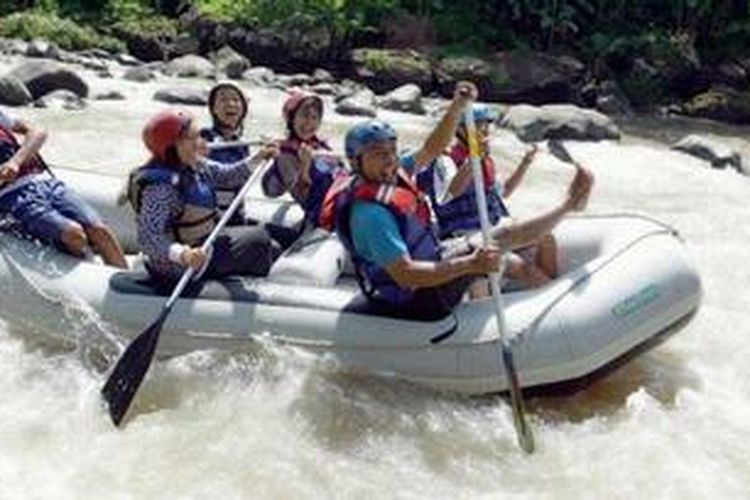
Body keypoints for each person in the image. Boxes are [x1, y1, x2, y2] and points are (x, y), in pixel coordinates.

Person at [320, 109, 593, 320]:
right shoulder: (370, 215)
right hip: (416, 298)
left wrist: (457, 105)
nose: (390, 159)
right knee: (498, 246)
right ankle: (571, 204)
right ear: (356, 161)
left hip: (432, 260)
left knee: (504, 235)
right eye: (379, 154)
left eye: (392, 151)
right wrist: (470, 265)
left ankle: (569, 206)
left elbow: (430, 148)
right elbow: (406, 275)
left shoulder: (394, 174)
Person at [129, 108, 280, 289]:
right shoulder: (161, 189)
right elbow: (148, 238)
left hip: (201, 242)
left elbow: (228, 175)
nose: (199, 142)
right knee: (259, 239)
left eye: (198, 136)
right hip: (178, 266)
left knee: (265, 239)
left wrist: (258, 157)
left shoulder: (195, 164)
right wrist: (184, 255)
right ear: (171, 146)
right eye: (192, 138)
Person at [417, 103, 556, 288]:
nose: (483, 131)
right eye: (477, 126)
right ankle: (548, 292)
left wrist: (525, 163)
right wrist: (473, 160)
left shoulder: (484, 158)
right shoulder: (444, 160)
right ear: (460, 130)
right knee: (518, 265)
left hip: (494, 227)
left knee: (546, 236)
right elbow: (451, 192)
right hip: (465, 235)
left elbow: (503, 191)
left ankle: (554, 287)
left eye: (485, 126)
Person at [0, 109, 127, 268]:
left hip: (43, 182)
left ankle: (125, 280)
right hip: (10, 197)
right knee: (74, 234)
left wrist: (16, 161)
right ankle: (88, 270)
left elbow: (38, 131)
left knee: (100, 230)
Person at [261, 89, 348, 231]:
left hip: (343, 204)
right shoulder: (285, 155)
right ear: (291, 118)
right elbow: (304, 198)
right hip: (323, 218)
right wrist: (304, 168)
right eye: (304, 116)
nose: (309, 122)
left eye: (315, 117)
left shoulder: (322, 146)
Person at [199, 81, 251, 225]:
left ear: (243, 109)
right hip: (211, 222)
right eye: (223, 99)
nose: (230, 104)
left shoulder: (242, 145)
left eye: (236, 99)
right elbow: (223, 177)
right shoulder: (203, 139)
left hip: (235, 216)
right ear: (214, 108)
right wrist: (258, 159)